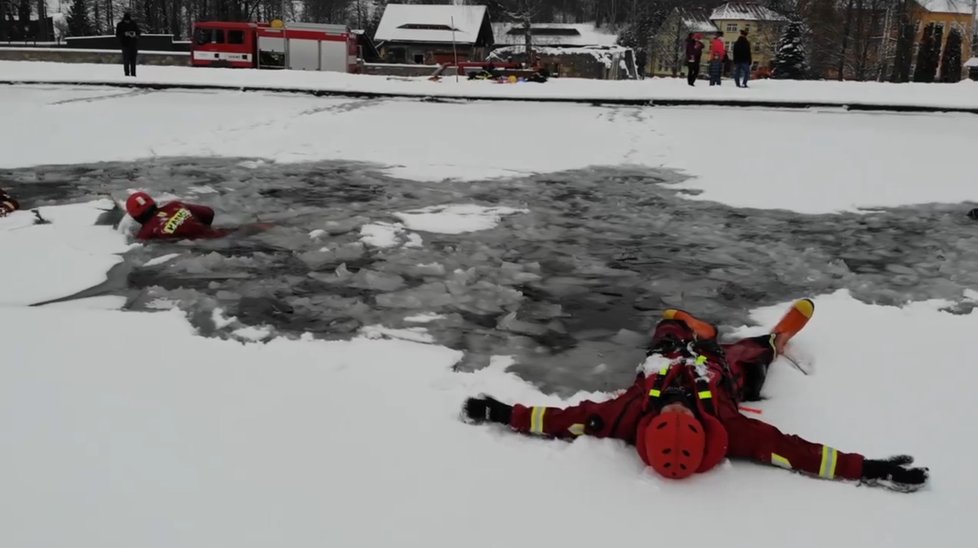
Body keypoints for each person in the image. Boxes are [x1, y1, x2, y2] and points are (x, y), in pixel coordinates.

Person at [463, 299, 929, 492]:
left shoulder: (621, 415)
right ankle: (773, 338)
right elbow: (796, 452)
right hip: (723, 371)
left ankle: (683, 325)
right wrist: (870, 468)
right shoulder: (733, 430)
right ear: (703, 427)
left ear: (650, 422)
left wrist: (502, 412)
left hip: (667, 357)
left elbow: (562, 420)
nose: (678, 402)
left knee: (666, 327)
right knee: (752, 353)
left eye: (671, 409)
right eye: (683, 411)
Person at [125, 191, 230, 240]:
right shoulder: (175, 205)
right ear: (153, 202)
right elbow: (208, 213)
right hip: (223, 235)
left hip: (208, 249)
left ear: (136, 217)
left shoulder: (145, 234)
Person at [115, 12, 141, 77]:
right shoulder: (120, 25)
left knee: (133, 61)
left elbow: (138, 32)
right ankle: (126, 74)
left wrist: (135, 34)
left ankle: (133, 74)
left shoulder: (133, 24)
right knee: (126, 60)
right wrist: (124, 34)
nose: (127, 21)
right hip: (125, 44)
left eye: (128, 20)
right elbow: (118, 35)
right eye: (126, 20)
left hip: (133, 44)